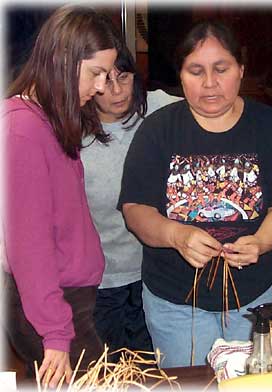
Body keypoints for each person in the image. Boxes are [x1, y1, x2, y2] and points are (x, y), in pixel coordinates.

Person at [117, 21, 272, 367]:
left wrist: (262, 241)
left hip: (252, 301)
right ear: (181, 75)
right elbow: (135, 209)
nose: (209, 84)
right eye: (196, 71)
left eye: (221, 69)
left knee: (247, 382)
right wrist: (176, 234)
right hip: (175, 300)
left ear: (241, 70)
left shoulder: (271, 126)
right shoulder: (159, 129)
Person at [3, 5, 120, 388]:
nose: (102, 87)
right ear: (60, 60)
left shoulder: (45, 120)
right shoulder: (23, 129)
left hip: (68, 300)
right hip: (52, 306)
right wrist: (55, 332)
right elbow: (28, 243)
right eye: (96, 73)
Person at [81, 40, 182, 357]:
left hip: (154, 272)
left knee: (154, 365)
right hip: (100, 278)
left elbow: (213, 106)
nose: (117, 91)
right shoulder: (73, 134)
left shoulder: (159, 108)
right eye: (105, 82)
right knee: (107, 366)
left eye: (123, 77)